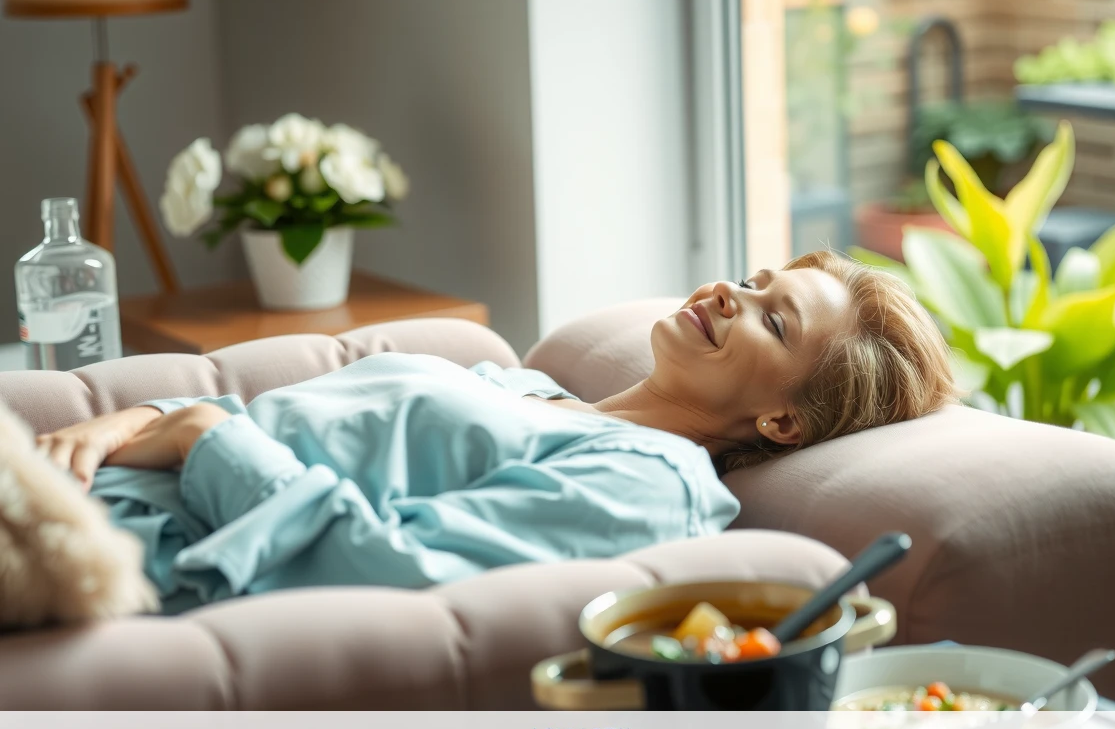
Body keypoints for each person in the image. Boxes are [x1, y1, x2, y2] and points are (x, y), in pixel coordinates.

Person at [37, 252, 957, 612]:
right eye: (755, 278)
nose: (731, 293)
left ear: (783, 419)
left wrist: (203, 441)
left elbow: (395, 573)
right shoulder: (519, 386)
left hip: (111, 558)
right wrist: (141, 417)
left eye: (774, 319)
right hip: (66, 485)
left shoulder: (646, 482)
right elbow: (282, 425)